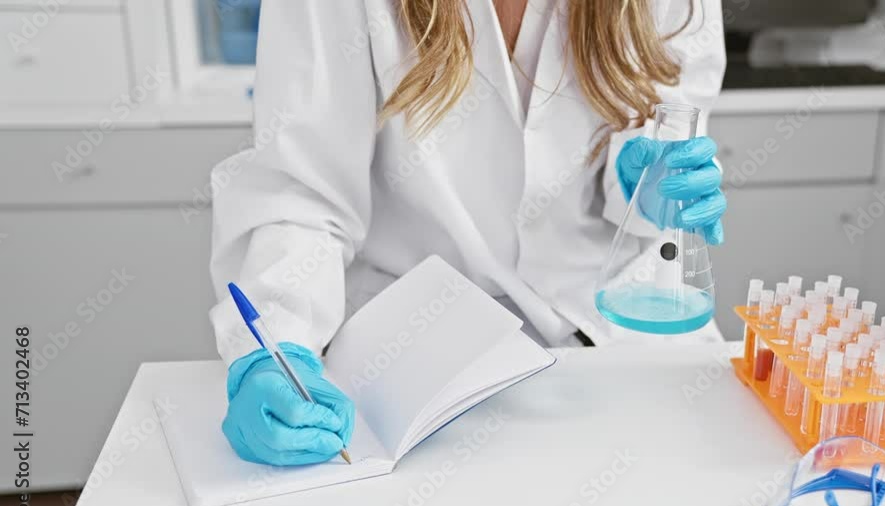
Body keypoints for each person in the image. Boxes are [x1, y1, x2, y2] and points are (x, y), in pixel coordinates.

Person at [210, 0, 727, 466]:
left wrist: (652, 185)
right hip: (417, 364)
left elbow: (665, 121)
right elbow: (305, 187)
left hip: (616, 338)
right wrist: (280, 342)